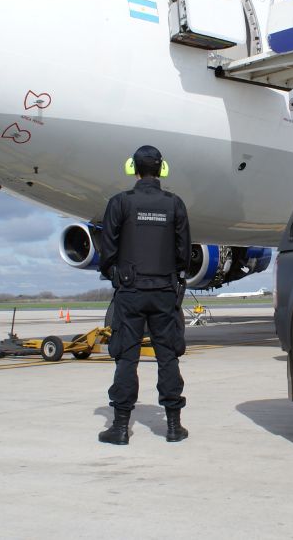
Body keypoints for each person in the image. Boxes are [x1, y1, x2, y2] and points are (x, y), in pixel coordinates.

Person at [97, 146, 191, 445]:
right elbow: (184, 251)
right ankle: (174, 427)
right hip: (164, 292)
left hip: (131, 291)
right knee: (168, 357)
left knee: (126, 357)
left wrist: (113, 272)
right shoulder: (175, 204)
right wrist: (174, 274)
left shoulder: (119, 203)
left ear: (132, 168)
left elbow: (108, 247)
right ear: (162, 169)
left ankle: (121, 428)